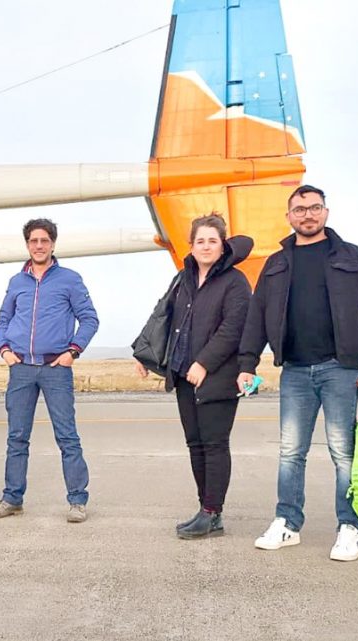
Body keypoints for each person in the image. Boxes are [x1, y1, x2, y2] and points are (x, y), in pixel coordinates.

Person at [238, 185, 358, 562]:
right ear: (289, 216)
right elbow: (258, 315)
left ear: (326, 212)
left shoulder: (353, 257)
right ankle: (287, 523)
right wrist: (247, 363)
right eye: (300, 209)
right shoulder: (276, 263)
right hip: (295, 371)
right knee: (291, 452)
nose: (308, 214)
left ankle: (351, 527)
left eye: (314, 207)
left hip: (341, 369)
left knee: (344, 453)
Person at [134, 214, 252, 540]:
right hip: (184, 375)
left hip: (217, 376)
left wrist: (204, 363)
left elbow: (233, 328)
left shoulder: (235, 281)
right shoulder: (183, 278)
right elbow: (163, 316)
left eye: (213, 240)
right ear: (191, 245)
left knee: (214, 445)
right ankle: (205, 510)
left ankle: (213, 512)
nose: (206, 246)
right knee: (195, 444)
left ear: (223, 245)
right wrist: (144, 354)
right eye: (200, 241)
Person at [0, 218, 99, 523]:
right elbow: (4, 319)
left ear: (53, 244)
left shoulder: (69, 279)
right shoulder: (17, 282)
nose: (39, 246)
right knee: (17, 437)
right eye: (34, 241)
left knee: (67, 437)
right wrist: (4, 349)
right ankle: (12, 499)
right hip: (21, 369)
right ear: (27, 245)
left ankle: (77, 501)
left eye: (44, 241)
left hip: (55, 369)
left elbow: (89, 318)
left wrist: (73, 351)